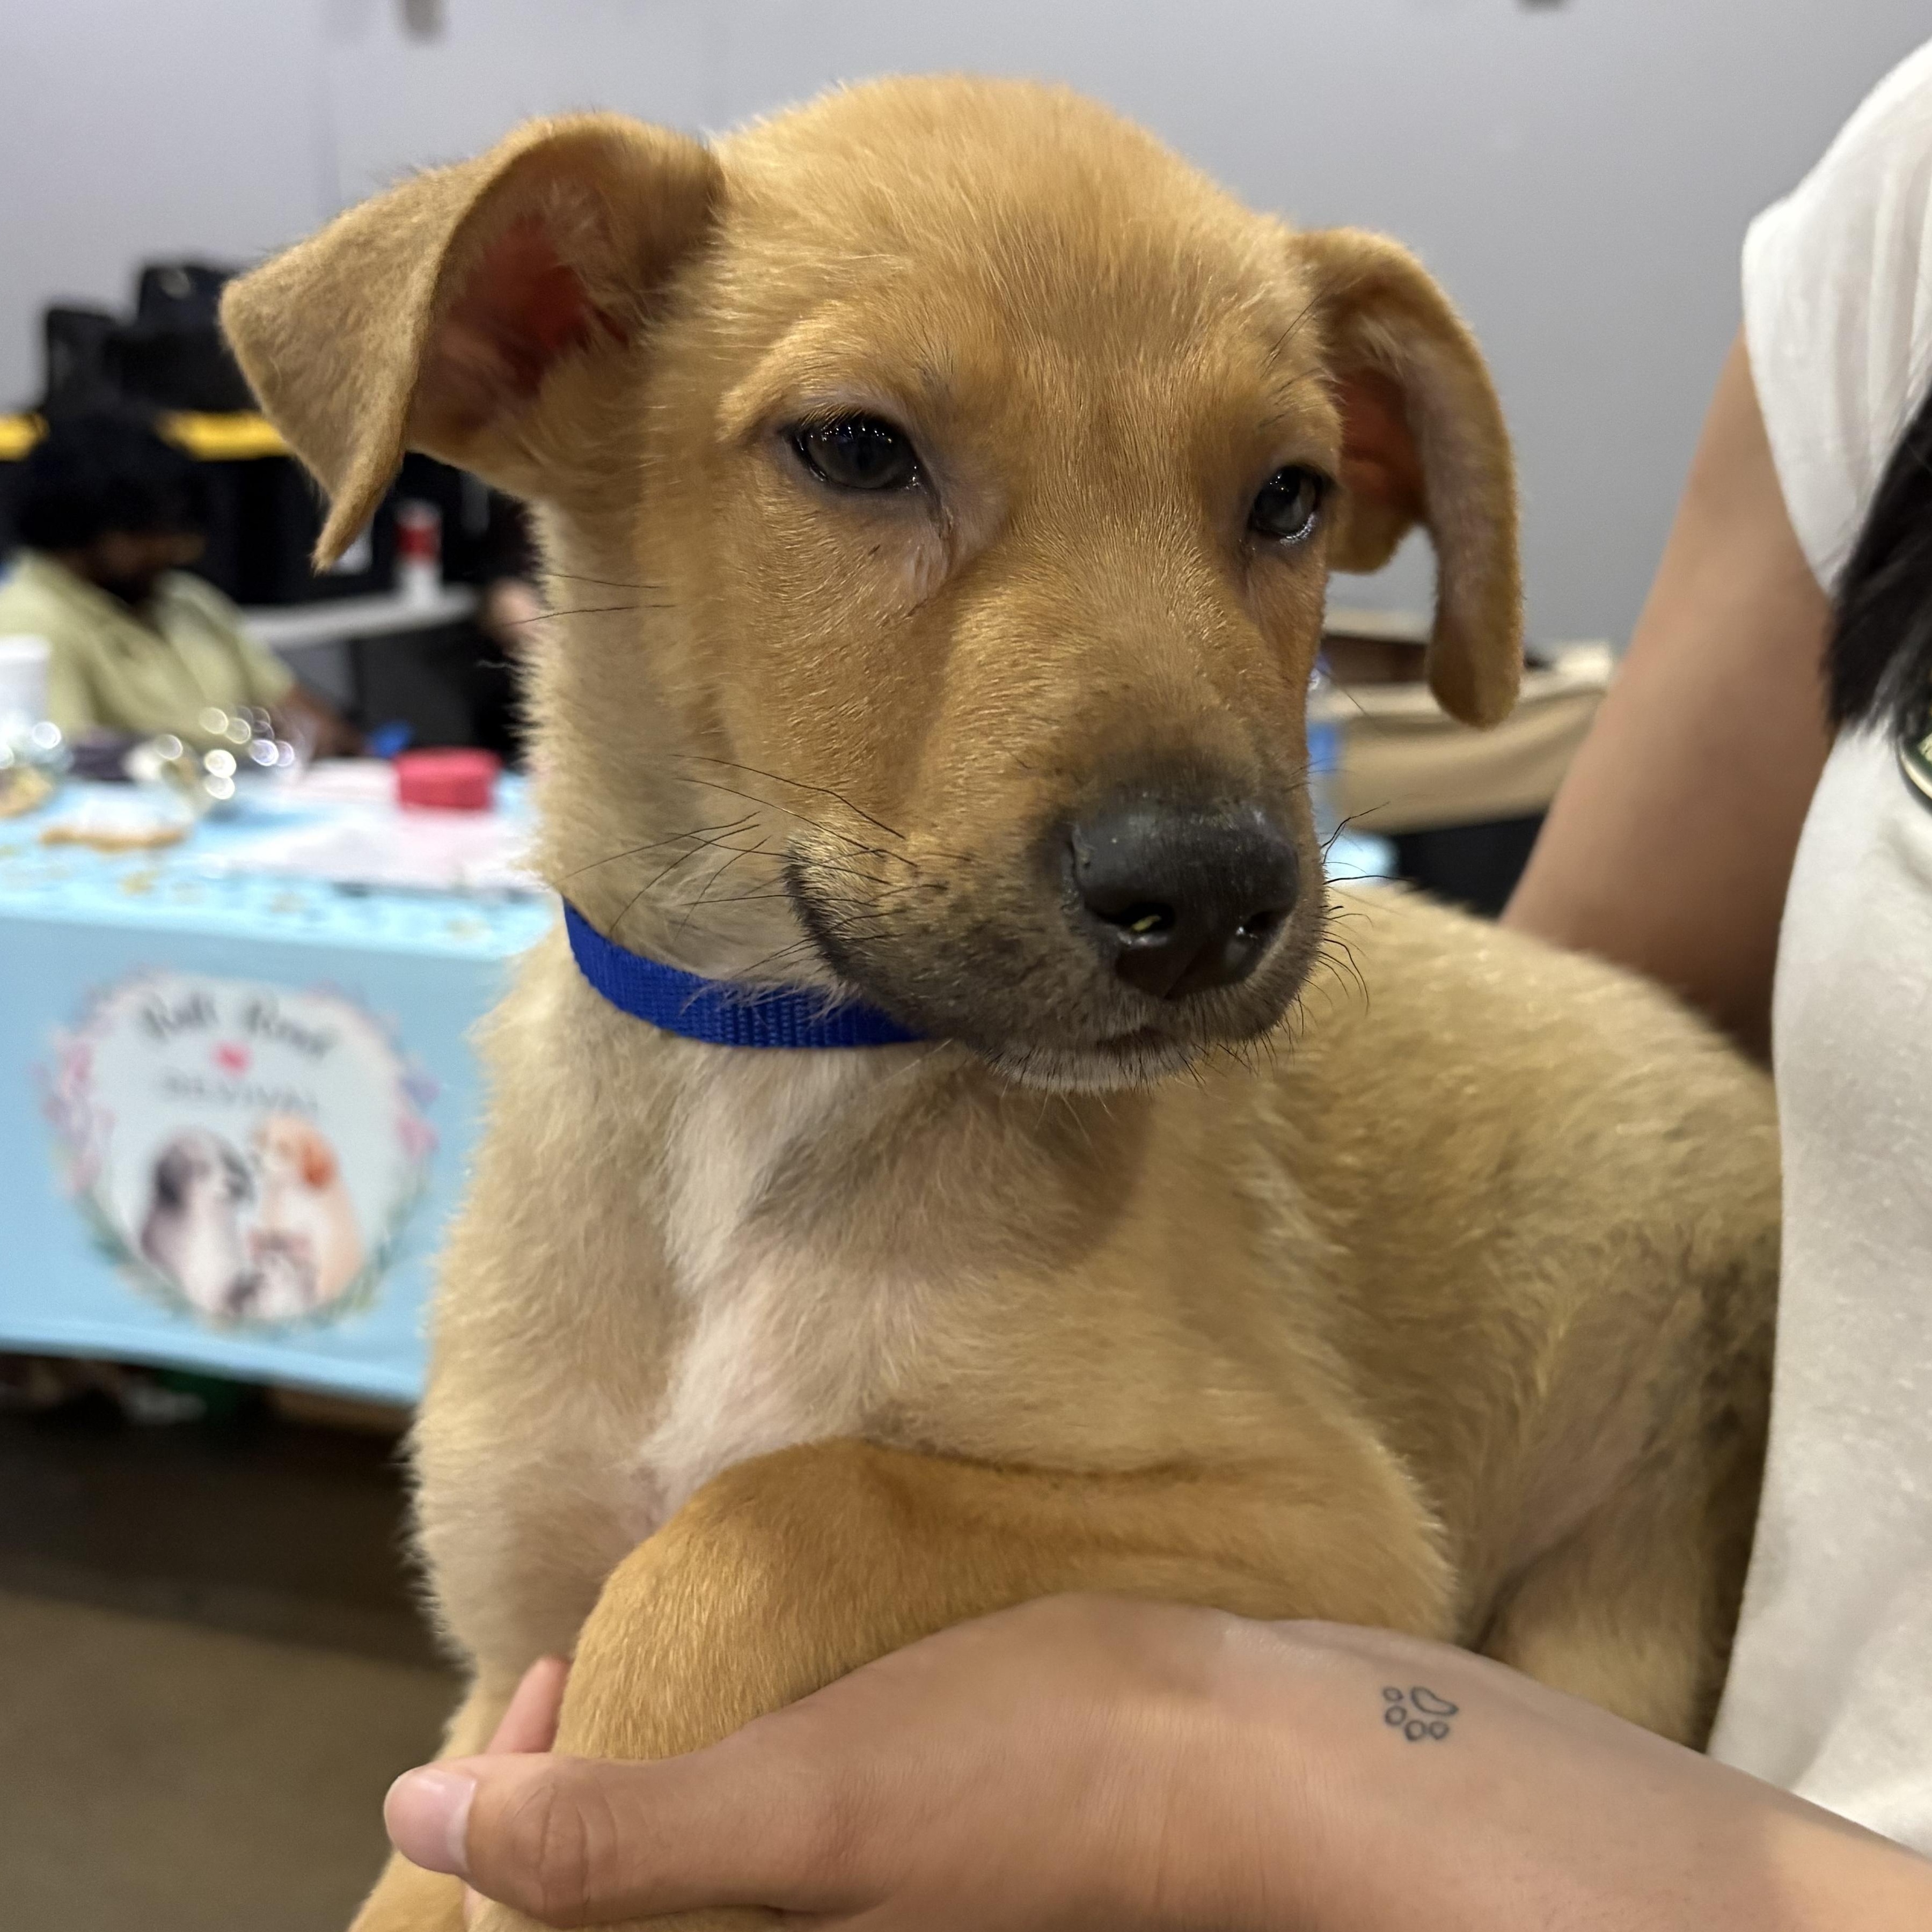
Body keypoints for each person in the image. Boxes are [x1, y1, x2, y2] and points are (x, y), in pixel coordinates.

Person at [378, 43, 1932, 1929]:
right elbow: (525, 1746)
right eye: (865, 455)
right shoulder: (1893, 228)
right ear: (528, 346)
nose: (1190, 802)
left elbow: (1344, 1567)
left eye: (1277, 498)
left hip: (1638, 1488)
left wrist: (782, 1566)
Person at [0, 412, 358, 755]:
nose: (179, 550)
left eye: (178, 528)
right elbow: (67, 772)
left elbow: (309, 719)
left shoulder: (189, 601)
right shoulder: (27, 623)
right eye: (151, 531)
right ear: (75, 527)